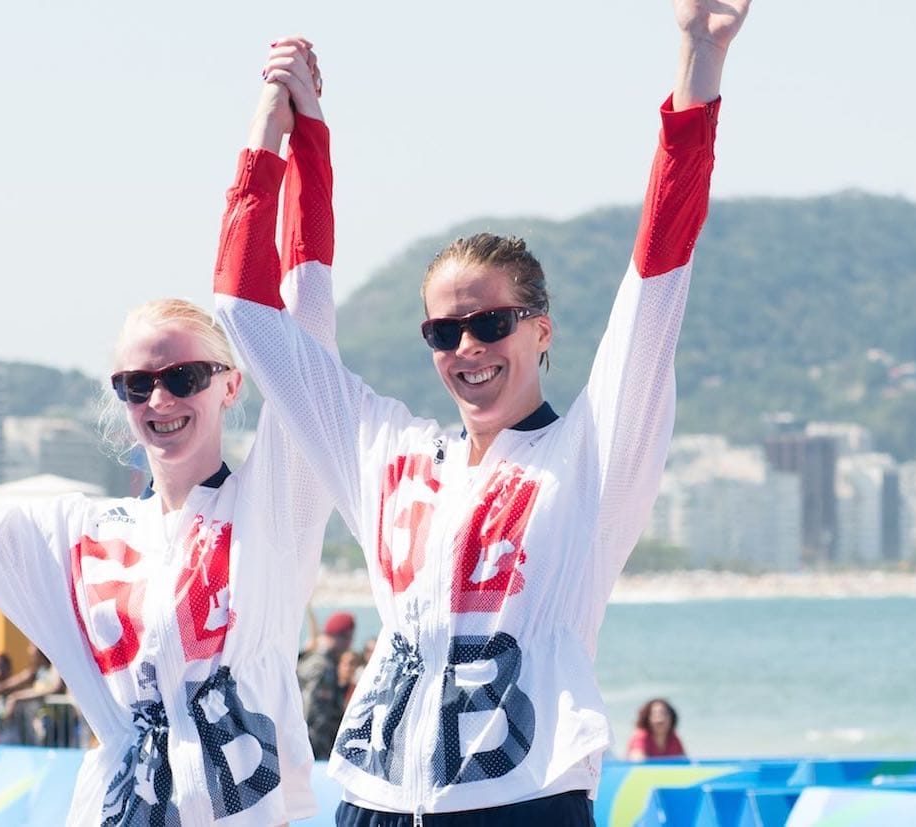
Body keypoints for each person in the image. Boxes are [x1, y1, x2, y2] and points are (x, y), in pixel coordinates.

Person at [214, 6, 751, 822]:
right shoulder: (385, 449)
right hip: (371, 799)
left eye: (491, 322)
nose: (469, 346)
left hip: (523, 800)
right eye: (444, 329)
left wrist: (698, 60)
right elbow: (245, 308)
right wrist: (285, 135)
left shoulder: (595, 451)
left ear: (540, 329)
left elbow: (660, 274)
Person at [0, 49, 336, 825]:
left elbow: (301, 324)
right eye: (136, 383)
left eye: (184, 377)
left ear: (231, 383)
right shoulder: (72, 535)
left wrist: (285, 139)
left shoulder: (279, 496)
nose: (160, 399)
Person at [297, 610, 355, 758]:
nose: (350, 643)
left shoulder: (316, 659)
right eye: (348, 637)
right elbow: (313, 712)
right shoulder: (322, 666)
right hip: (314, 745)